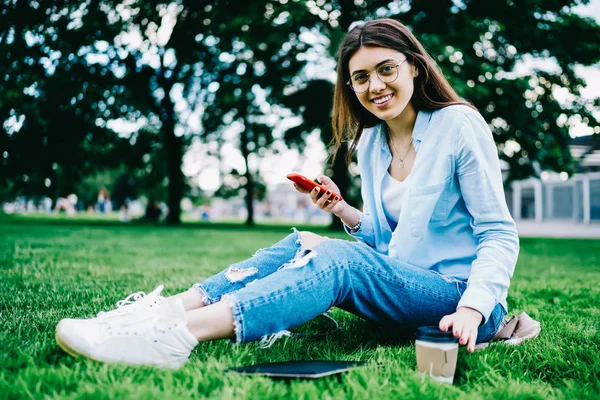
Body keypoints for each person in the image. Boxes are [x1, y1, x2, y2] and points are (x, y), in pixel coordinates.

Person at [55, 18, 519, 369]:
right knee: (303, 241)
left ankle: (175, 336)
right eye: (360, 78)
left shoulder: (458, 125)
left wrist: (475, 310)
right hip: (404, 284)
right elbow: (393, 240)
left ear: (415, 68)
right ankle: (159, 312)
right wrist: (343, 211)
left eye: (386, 69)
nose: (375, 86)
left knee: (339, 260)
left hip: (458, 297)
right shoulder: (374, 142)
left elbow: (498, 233)